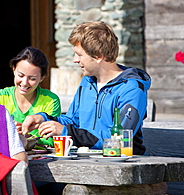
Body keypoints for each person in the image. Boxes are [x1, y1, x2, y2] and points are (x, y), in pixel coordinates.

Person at [21, 21, 151, 155]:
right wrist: (43, 119)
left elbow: (120, 139)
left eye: (79, 54)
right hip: (85, 160)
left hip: (123, 164)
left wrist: (66, 132)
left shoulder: (132, 89)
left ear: (99, 56)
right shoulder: (87, 82)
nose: (75, 60)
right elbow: (73, 121)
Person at [0, 47, 61, 146]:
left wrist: (26, 139)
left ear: (42, 78)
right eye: (21, 76)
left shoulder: (50, 100)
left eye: (32, 78)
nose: (25, 83)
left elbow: (52, 141)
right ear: (13, 70)